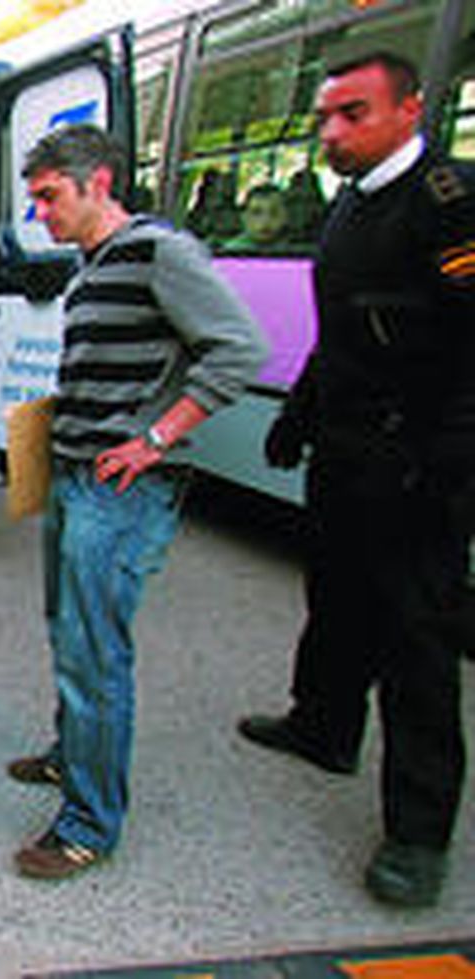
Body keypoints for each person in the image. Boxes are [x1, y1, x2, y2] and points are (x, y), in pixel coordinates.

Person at [237, 51, 475, 908]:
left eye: (353, 113)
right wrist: (297, 414)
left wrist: (447, 465)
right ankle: (323, 725)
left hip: (420, 466)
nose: (331, 131)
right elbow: (342, 335)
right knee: (335, 598)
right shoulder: (349, 206)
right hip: (345, 450)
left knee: (418, 644)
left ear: (409, 110)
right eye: (326, 115)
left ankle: (417, 833)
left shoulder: (452, 203)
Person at [8, 125, 267, 880]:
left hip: (120, 489)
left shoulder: (160, 250)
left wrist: (156, 436)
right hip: (76, 473)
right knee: (68, 631)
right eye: (36, 200)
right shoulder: (92, 265)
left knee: (95, 655)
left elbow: (240, 348)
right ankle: (70, 757)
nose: (41, 215)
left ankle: (89, 825)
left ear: (98, 182)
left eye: (50, 197)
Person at [225, 183, 289, 250]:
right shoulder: (228, 254)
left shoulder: (295, 253)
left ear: (285, 217)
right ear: (243, 216)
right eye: (256, 213)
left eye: (274, 213)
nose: (265, 221)